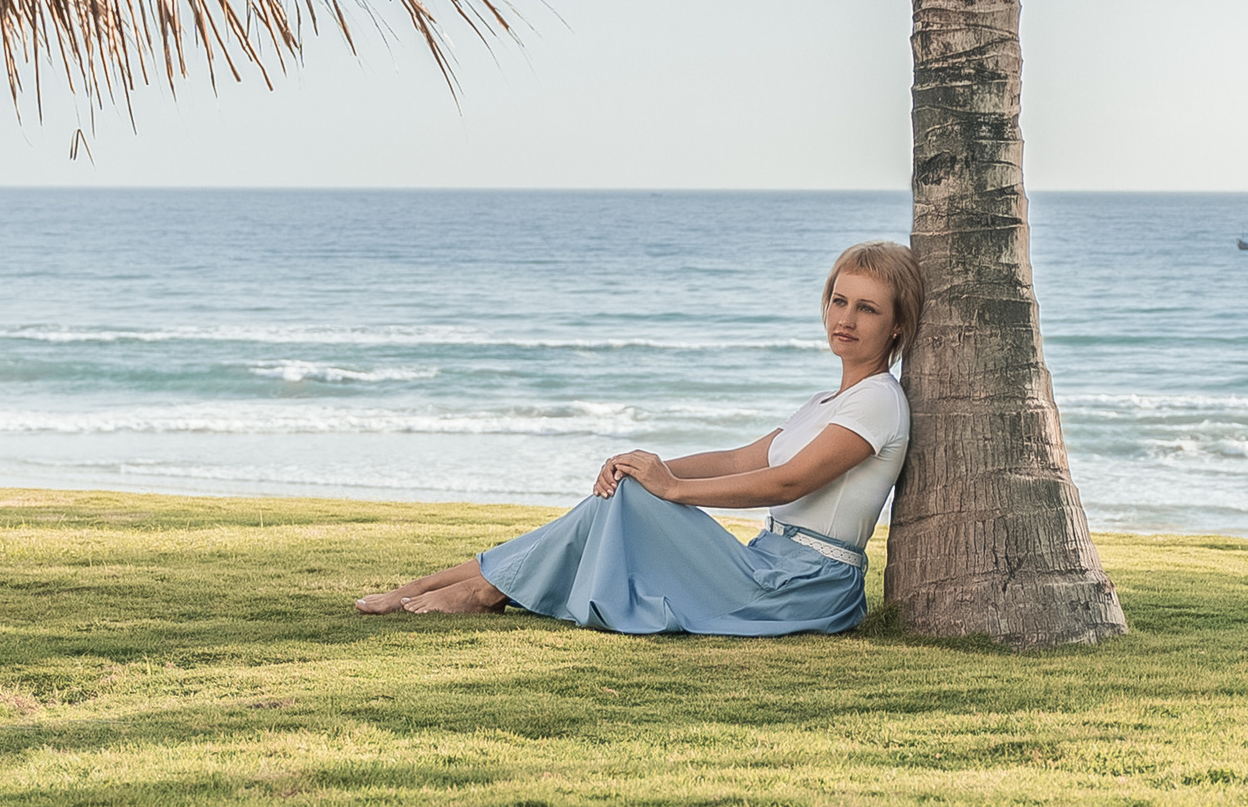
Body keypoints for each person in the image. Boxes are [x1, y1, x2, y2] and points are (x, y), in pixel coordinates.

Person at [357, 240, 920, 633]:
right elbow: (735, 459)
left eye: (866, 308)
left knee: (629, 499)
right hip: (767, 563)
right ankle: (448, 586)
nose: (844, 317)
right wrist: (642, 464)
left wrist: (670, 489)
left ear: (896, 325)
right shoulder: (823, 404)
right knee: (622, 491)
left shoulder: (878, 399)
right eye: (838, 300)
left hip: (801, 585)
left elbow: (787, 481)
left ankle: (475, 590)